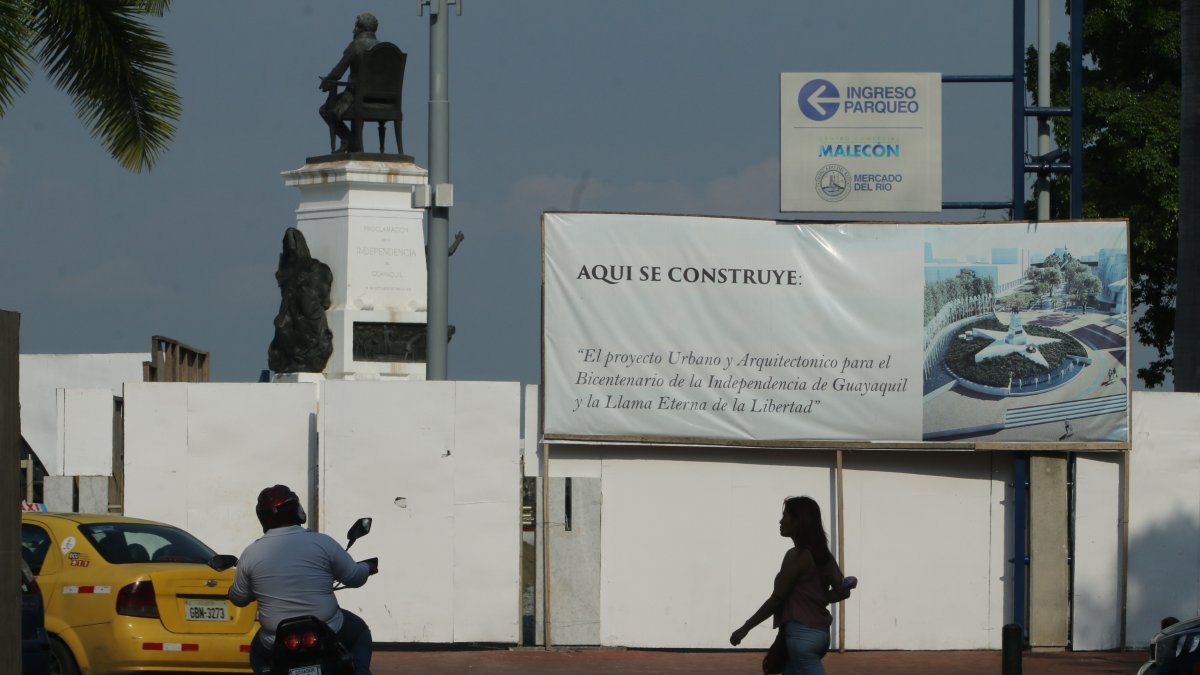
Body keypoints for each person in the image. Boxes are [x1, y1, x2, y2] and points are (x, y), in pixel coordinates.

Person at [228, 484, 378, 675]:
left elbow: (239, 598)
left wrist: (232, 593)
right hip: (328, 629)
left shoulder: (251, 554)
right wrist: (367, 567)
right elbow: (354, 577)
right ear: (296, 510)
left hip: (276, 639)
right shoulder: (322, 542)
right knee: (359, 632)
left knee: (257, 655)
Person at [729, 496, 855, 675]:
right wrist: (819, 597)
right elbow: (842, 593)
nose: (780, 521)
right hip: (820, 635)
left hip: (801, 636)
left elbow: (776, 600)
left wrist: (745, 628)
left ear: (798, 522)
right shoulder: (823, 556)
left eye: (785, 516)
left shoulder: (796, 556)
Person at [319, 13, 380, 153]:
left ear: (361, 28)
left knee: (325, 110)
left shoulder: (356, 46)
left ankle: (348, 139)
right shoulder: (383, 49)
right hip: (381, 101)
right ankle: (354, 144)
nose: (353, 31)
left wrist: (327, 81)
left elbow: (338, 72)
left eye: (355, 27)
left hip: (356, 96)